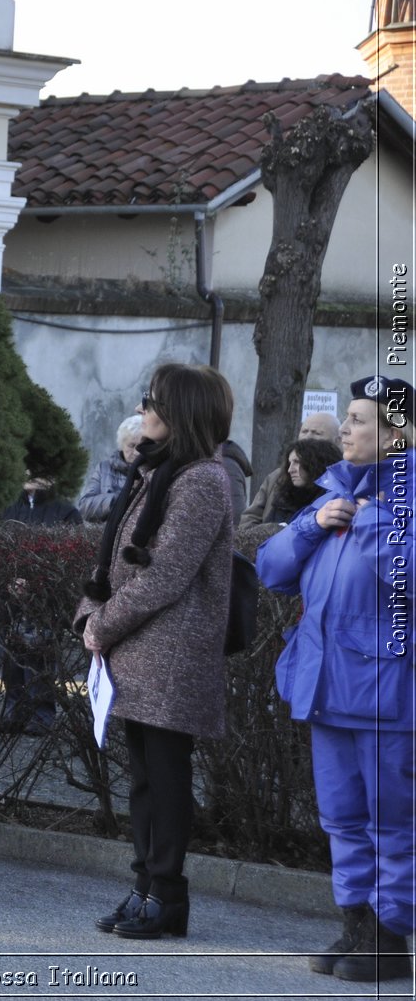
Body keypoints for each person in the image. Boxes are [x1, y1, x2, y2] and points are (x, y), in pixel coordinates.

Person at [257, 376, 413, 983]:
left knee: (391, 821)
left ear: (398, 433)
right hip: (326, 688)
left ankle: (390, 934)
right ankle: (356, 923)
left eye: (359, 420)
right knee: (342, 818)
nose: (345, 430)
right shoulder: (332, 491)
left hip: (389, 696)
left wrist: (371, 523)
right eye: (345, 419)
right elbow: (269, 571)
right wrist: (311, 523)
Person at [76, 363, 234, 940]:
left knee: (165, 780)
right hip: (138, 652)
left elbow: (165, 576)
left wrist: (103, 625)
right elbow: (116, 557)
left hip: (171, 655)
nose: (143, 409)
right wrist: (91, 616)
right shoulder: (158, 470)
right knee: (143, 778)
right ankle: (143, 885)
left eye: (152, 402)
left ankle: (166, 895)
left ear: (180, 412)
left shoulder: (202, 480)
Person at [0, 472, 81, 735]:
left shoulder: (65, 510)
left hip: (45, 595)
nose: (32, 474)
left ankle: (42, 714)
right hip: (6, 592)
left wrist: (34, 581)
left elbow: (71, 554)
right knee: (9, 654)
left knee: (41, 655)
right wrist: (9, 579)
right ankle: (14, 711)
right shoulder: (6, 506)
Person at [240, 414, 343, 527]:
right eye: (304, 431)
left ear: (338, 441)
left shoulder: (341, 481)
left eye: (317, 433)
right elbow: (248, 521)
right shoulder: (278, 477)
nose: (307, 437)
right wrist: (271, 534)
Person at [78, 416, 143, 523]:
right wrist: (121, 498)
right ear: (122, 445)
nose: (137, 452)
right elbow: (85, 507)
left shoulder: (152, 470)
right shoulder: (104, 468)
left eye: (141, 447)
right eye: (131, 445)